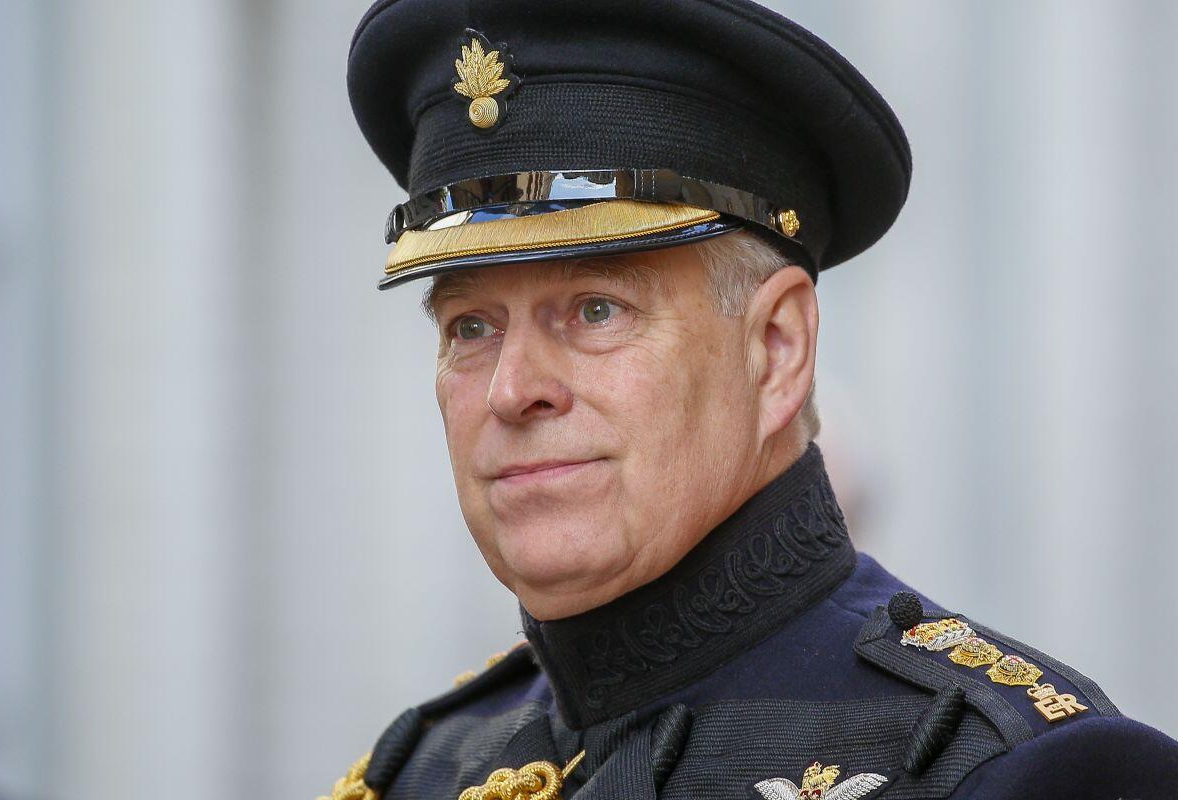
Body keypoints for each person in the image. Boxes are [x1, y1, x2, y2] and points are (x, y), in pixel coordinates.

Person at [325, 1, 1178, 798]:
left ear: (777, 349)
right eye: (471, 326)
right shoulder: (422, 769)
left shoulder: (1015, 771)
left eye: (596, 311)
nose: (512, 390)